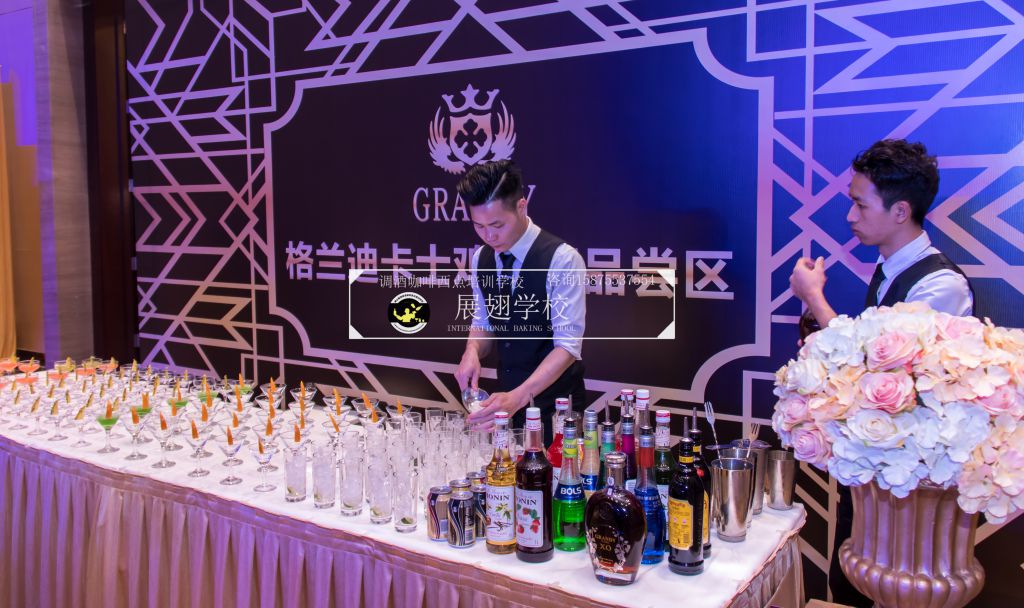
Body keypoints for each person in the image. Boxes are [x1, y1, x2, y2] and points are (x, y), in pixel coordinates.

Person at [790, 139, 976, 606]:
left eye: (860, 204)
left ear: (900, 211)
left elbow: (886, 371)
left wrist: (815, 299)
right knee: (848, 584)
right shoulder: (890, 268)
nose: (850, 216)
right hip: (874, 479)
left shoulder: (940, 285)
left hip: (913, 501)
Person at [454, 160, 586, 442]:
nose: (489, 236)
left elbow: (567, 347)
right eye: (479, 226)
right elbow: (484, 320)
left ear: (521, 207)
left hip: (556, 411)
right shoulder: (481, 258)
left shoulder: (562, 259)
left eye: (497, 225)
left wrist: (518, 397)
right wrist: (472, 350)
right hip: (506, 406)